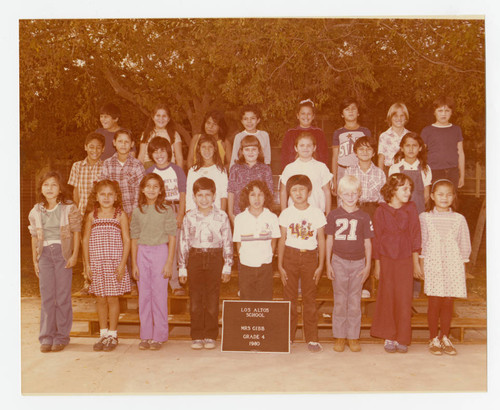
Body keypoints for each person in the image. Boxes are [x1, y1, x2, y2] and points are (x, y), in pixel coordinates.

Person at [29, 171, 81, 353]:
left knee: (62, 297)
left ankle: (61, 337)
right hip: (44, 256)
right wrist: (35, 260)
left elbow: (76, 232)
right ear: (41, 189)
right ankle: (46, 337)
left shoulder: (68, 208)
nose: (49, 188)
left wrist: (74, 255)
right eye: (46, 185)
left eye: (53, 185)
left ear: (60, 189)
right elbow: (34, 236)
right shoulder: (36, 210)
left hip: (62, 254)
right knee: (47, 297)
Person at [178, 177, 233, 350]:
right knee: (195, 299)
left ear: (214, 195)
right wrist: (182, 268)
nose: (204, 199)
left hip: (215, 257)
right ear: (194, 197)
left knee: (211, 298)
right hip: (195, 257)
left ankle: (210, 335)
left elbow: (227, 241)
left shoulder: (222, 216)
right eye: (200, 195)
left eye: (207, 195)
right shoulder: (189, 217)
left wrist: (227, 265)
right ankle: (196, 335)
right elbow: (183, 242)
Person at [370, 173, 423, 353]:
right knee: (387, 296)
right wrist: (377, 265)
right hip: (386, 259)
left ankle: (402, 337)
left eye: (410, 188)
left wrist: (416, 264)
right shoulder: (380, 211)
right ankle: (389, 336)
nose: (409, 192)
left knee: (403, 297)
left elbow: (416, 236)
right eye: (404, 188)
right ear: (393, 190)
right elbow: (376, 239)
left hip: (405, 258)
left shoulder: (411, 209)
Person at [419, 179, 471, 355]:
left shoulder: (459, 219)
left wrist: (463, 267)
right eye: (440, 194)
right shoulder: (425, 217)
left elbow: (464, 244)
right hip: (433, 264)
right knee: (434, 302)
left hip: (453, 264)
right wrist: (421, 264)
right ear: (432, 196)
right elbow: (423, 243)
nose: (444, 198)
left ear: (453, 197)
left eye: (449, 194)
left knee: (448, 301)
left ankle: (445, 337)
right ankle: (433, 337)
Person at [277, 175, 326, 353]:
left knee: (309, 299)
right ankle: (287, 337)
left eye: (302, 189)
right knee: (289, 298)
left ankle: (312, 338)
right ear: (289, 193)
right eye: (294, 190)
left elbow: (321, 240)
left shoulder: (317, 213)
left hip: (310, 258)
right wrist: (280, 265)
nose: (298, 193)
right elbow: (282, 240)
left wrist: (321, 266)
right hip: (290, 256)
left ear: (309, 191)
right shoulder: (286, 213)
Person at [325, 175, 373, 353]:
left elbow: (368, 242)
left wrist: (368, 265)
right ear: (339, 195)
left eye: (354, 193)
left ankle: (353, 336)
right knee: (340, 300)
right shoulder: (333, 214)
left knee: (354, 301)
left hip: (358, 262)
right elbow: (329, 240)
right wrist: (328, 264)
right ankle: (339, 336)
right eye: (346, 193)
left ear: (359, 194)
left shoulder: (364, 216)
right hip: (338, 261)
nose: (350, 197)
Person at [82, 180, 131, 352]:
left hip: (114, 264)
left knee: (112, 298)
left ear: (116, 196)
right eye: (102, 194)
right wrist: (87, 265)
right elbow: (85, 240)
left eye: (110, 194)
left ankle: (113, 334)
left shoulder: (120, 215)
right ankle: (103, 334)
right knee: (100, 299)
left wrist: (122, 264)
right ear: (96, 196)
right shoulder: (91, 216)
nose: (106, 197)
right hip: (97, 264)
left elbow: (126, 240)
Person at [130, 174, 177, 351]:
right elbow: (134, 237)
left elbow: (172, 237)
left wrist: (169, 262)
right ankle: (146, 335)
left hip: (160, 252)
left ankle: (160, 335)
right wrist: (134, 264)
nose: (151, 189)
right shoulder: (137, 211)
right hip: (142, 253)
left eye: (155, 186)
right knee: (144, 296)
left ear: (160, 190)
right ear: (142, 189)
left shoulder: (167, 210)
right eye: (148, 186)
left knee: (159, 295)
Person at [145, 136, 187, 296]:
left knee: (174, 248)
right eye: (155, 152)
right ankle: (158, 283)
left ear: (168, 152)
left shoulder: (176, 170)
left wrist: (181, 214)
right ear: (151, 154)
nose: (159, 155)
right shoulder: (150, 171)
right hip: (157, 211)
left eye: (162, 151)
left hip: (174, 209)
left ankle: (175, 283)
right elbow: (147, 194)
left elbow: (183, 193)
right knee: (158, 247)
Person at [67, 132, 105, 295]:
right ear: (85, 147)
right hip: (82, 213)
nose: (94, 150)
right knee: (85, 248)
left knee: (100, 248)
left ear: (103, 149)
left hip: (100, 214)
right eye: (91, 147)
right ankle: (87, 282)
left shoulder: (106, 166)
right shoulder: (77, 166)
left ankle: (102, 282)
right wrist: (76, 211)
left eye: (98, 147)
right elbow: (75, 191)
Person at [233, 180, 280, 300]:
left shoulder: (272, 217)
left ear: (266, 197)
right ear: (247, 197)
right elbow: (238, 244)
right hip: (246, 266)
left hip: (265, 265)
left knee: (265, 299)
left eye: (260, 194)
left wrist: (268, 257)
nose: (257, 198)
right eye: (253, 195)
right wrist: (245, 258)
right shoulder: (240, 218)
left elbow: (274, 242)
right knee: (247, 299)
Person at [280, 131, 332, 215]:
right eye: (302, 145)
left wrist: (328, 214)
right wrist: (283, 213)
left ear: (314, 148)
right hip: (294, 212)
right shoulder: (289, 168)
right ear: (296, 148)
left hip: (317, 211)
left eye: (309, 145)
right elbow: (283, 192)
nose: (305, 148)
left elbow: (327, 191)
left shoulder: (321, 167)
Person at [99, 128, 146, 219]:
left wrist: (134, 213)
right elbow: (104, 188)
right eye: (120, 141)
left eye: (126, 142)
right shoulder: (107, 164)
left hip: (132, 213)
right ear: (114, 143)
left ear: (132, 144)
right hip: (112, 213)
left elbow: (140, 190)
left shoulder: (137, 165)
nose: (123, 145)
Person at [421, 96, 465, 190]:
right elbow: (422, 154)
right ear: (434, 112)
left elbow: (460, 153)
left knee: (452, 201)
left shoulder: (456, 130)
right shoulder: (427, 130)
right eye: (440, 111)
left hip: (453, 172)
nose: (443, 114)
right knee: (434, 200)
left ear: (451, 112)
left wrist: (462, 175)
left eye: (447, 111)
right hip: (433, 171)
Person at [228, 135, 274, 223]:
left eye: (254, 149)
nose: (251, 152)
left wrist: (267, 212)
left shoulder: (265, 169)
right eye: (247, 149)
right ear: (242, 152)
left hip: (260, 213)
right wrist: (230, 213)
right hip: (239, 212)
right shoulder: (235, 168)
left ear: (259, 151)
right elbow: (231, 191)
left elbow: (269, 192)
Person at [331, 98, 372, 193]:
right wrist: (334, 178)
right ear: (342, 114)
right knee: (342, 199)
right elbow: (334, 157)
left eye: (353, 108)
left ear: (358, 113)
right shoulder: (338, 132)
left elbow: (370, 154)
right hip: (343, 170)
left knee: (360, 197)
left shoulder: (365, 131)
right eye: (347, 109)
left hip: (361, 170)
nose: (351, 111)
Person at [389, 132, 432, 215]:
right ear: (402, 148)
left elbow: (426, 194)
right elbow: (393, 192)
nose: (411, 149)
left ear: (420, 148)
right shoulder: (395, 168)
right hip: (400, 211)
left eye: (414, 145)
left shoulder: (425, 168)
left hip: (419, 210)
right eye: (407, 145)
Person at [280, 99, 329, 170]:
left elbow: (324, 155)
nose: (306, 116)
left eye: (309, 114)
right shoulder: (290, 133)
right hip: (295, 170)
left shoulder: (319, 133)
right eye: (303, 113)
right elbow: (285, 156)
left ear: (313, 116)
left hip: (314, 169)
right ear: (297, 115)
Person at [344, 136, 386, 218]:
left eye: (369, 149)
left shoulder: (380, 173)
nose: (365, 152)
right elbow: (344, 193)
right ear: (356, 152)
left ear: (373, 153)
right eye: (361, 149)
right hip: (354, 208)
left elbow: (383, 197)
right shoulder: (349, 171)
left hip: (374, 210)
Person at [185, 135, 228, 212]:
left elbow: (223, 195)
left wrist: (222, 215)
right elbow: (189, 195)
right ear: (199, 149)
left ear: (215, 149)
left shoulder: (221, 170)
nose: (207, 150)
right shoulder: (193, 170)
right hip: (196, 215)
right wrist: (189, 214)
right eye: (203, 147)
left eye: (210, 147)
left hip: (216, 214)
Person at [137, 101, 184, 169]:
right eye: (158, 116)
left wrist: (180, 174)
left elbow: (179, 158)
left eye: (164, 116)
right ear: (153, 117)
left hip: (168, 167)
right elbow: (141, 156)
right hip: (149, 167)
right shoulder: (146, 133)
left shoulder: (174, 134)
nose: (161, 119)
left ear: (168, 119)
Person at [377, 103, 411, 174]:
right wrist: (380, 175)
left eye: (402, 115)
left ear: (406, 117)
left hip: (406, 169)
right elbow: (381, 157)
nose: (399, 118)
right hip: (389, 170)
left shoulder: (410, 135)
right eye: (395, 116)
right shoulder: (384, 136)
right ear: (390, 118)